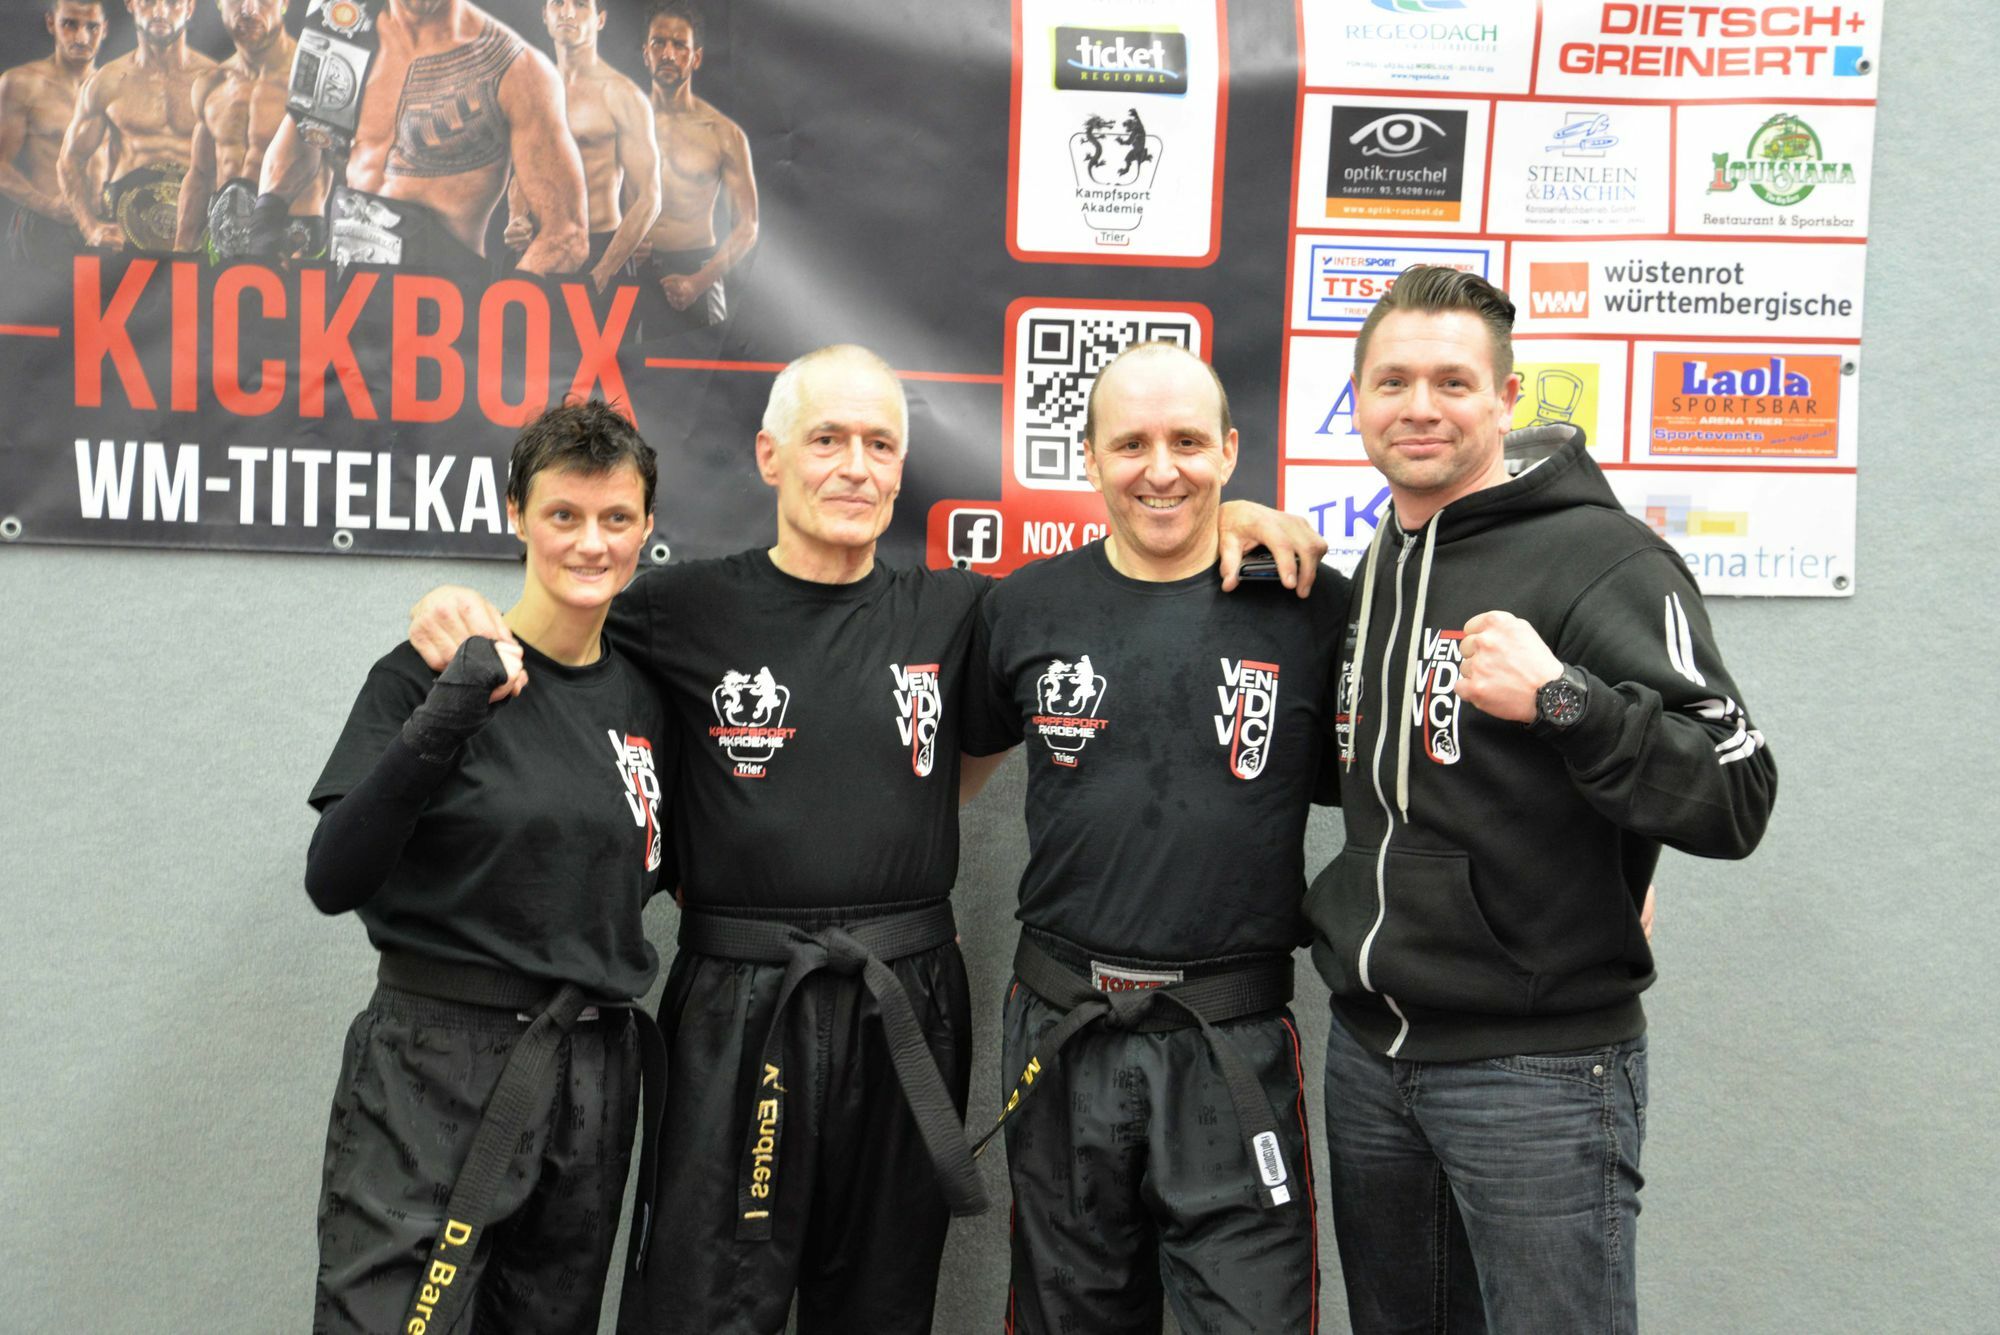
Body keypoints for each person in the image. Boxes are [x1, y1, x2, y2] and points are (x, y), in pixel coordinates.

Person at [405, 344, 1328, 1332]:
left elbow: (1018, 694)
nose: (855, 466)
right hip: (738, 1000)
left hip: (907, 999)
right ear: (769, 456)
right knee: (702, 1303)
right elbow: (558, 634)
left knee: (884, 1302)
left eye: (879, 444)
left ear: (900, 467)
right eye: (827, 440)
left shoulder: (959, 609)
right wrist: (452, 608)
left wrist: (1235, 516)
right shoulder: (678, 608)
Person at [1305, 266, 1778, 1333]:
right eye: (1391, 381)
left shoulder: (1603, 558)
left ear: (1506, 399)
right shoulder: (1383, 559)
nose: (1419, 406)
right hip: (1371, 1054)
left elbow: (1735, 791)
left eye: (1451, 381)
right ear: (1357, 398)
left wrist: (1565, 700)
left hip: (1537, 1069)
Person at [963, 341, 1347, 1333]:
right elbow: (942, 771)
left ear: (1229, 451)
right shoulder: (1022, 607)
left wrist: (1594, 865)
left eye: (1186, 441)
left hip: (1228, 1036)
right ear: (1089, 458)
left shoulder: (1311, 607)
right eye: (1131, 443)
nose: (1161, 469)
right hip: (1064, 1024)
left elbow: (1411, 778)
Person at [304, 400, 670, 1334]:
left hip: (589, 1068)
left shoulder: (647, 696)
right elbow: (333, 877)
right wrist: (452, 708)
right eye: (563, 514)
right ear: (516, 513)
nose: (591, 542)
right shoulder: (425, 672)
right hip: (437, 1060)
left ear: (646, 527)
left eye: (616, 517)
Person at [253, 0, 585, 276]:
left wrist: (501, 312)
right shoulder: (343, 28)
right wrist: (265, 228)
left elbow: (567, 235)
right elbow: (303, 136)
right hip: (345, 297)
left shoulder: (517, 70)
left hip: (443, 310)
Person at [505, 0, 660, 292]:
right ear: (545, 15)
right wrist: (516, 219)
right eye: (558, 3)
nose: (567, 12)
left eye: (580, 4)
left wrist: (602, 273)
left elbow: (649, 198)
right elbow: (523, 174)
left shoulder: (622, 95)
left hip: (601, 253)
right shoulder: (534, 93)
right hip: (544, 249)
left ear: (600, 20)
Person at [173, 0, 329, 261]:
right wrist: (181, 247)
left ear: (284, 3)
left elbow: (350, 168)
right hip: (225, 251)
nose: (249, 9)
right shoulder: (211, 83)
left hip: (293, 250)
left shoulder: (314, 79)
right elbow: (200, 174)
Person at [634, 1, 755, 335]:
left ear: (696, 57)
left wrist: (700, 281)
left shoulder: (723, 133)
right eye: (659, 42)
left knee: (704, 367)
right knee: (623, 367)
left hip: (698, 269)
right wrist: (619, 243)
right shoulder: (624, 123)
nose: (668, 54)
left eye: (679, 45)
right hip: (632, 271)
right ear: (646, 54)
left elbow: (747, 226)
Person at [58, 0, 212, 252]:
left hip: (199, 234)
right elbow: (70, 160)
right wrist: (90, 227)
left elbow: (246, 162)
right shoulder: (106, 82)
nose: (160, 11)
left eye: (172, 2)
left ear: (190, 8)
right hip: (124, 232)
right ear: (130, 4)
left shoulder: (216, 81)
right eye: (149, 2)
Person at [0, 0, 106, 264]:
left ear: (104, 29)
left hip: (103, 230)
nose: (82, 37)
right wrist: (46, 205)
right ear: (51, 23)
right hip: (44, 228)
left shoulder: (116, 88)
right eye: (70, 24)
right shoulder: (22, 83)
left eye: (92, 27)